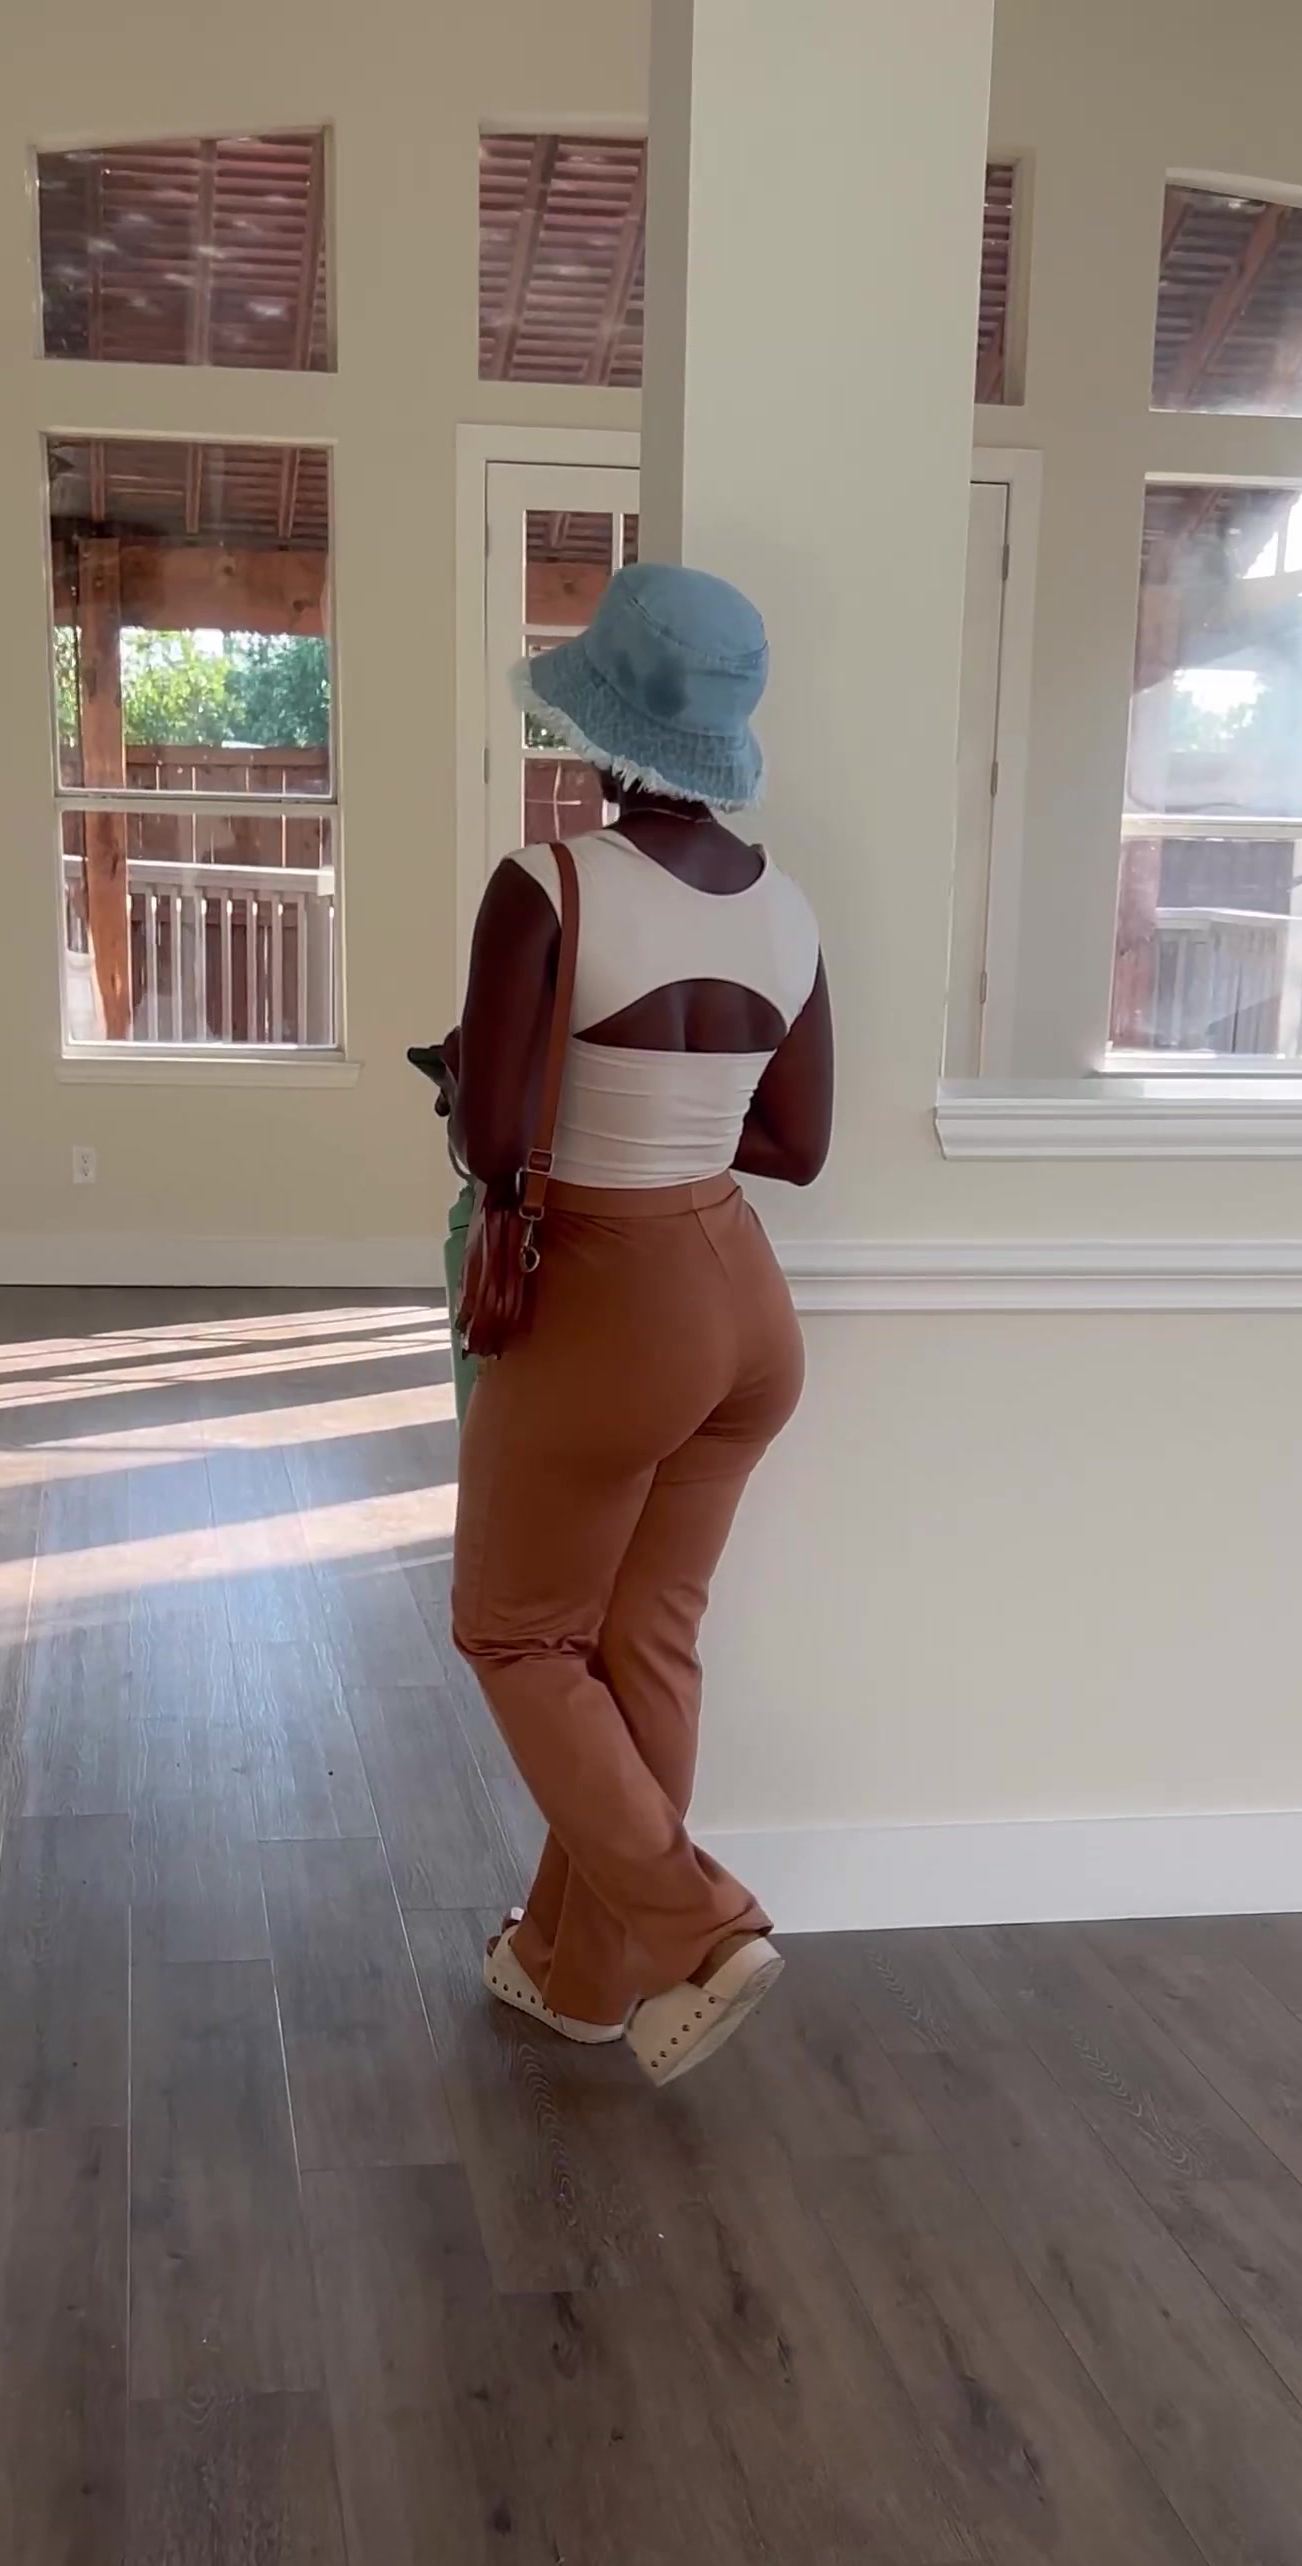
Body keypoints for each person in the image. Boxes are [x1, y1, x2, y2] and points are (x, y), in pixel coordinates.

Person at [447, 560, 833, 2089]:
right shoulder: (787, 909)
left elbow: (492, 1138)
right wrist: (673, 1108)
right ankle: (575, 1973)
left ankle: (701, 1931)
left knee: (515, 1631)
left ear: (598, 723)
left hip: (616, 1299)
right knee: (640, 1641)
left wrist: (512, 1086)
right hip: (746, 1305)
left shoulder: (550, 884)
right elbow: (796, 1142)